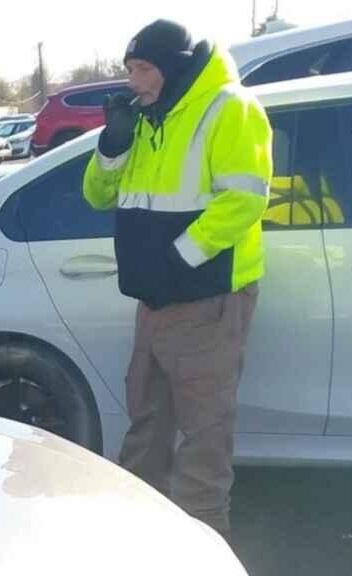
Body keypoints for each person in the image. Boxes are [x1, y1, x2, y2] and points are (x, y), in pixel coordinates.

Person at [84, 19, 273, 538]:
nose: (133, 81)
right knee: (146, 427)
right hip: (156, 302)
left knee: (203, 440)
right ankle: (141, 544)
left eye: (143, 68)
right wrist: (111, 146)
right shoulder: (144, 119)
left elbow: (245, 198)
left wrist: (179, 257)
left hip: (206, 298)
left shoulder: (228, 107)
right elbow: (97, 197)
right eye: (129, 69)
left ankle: (208, 564)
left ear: (176, 66)